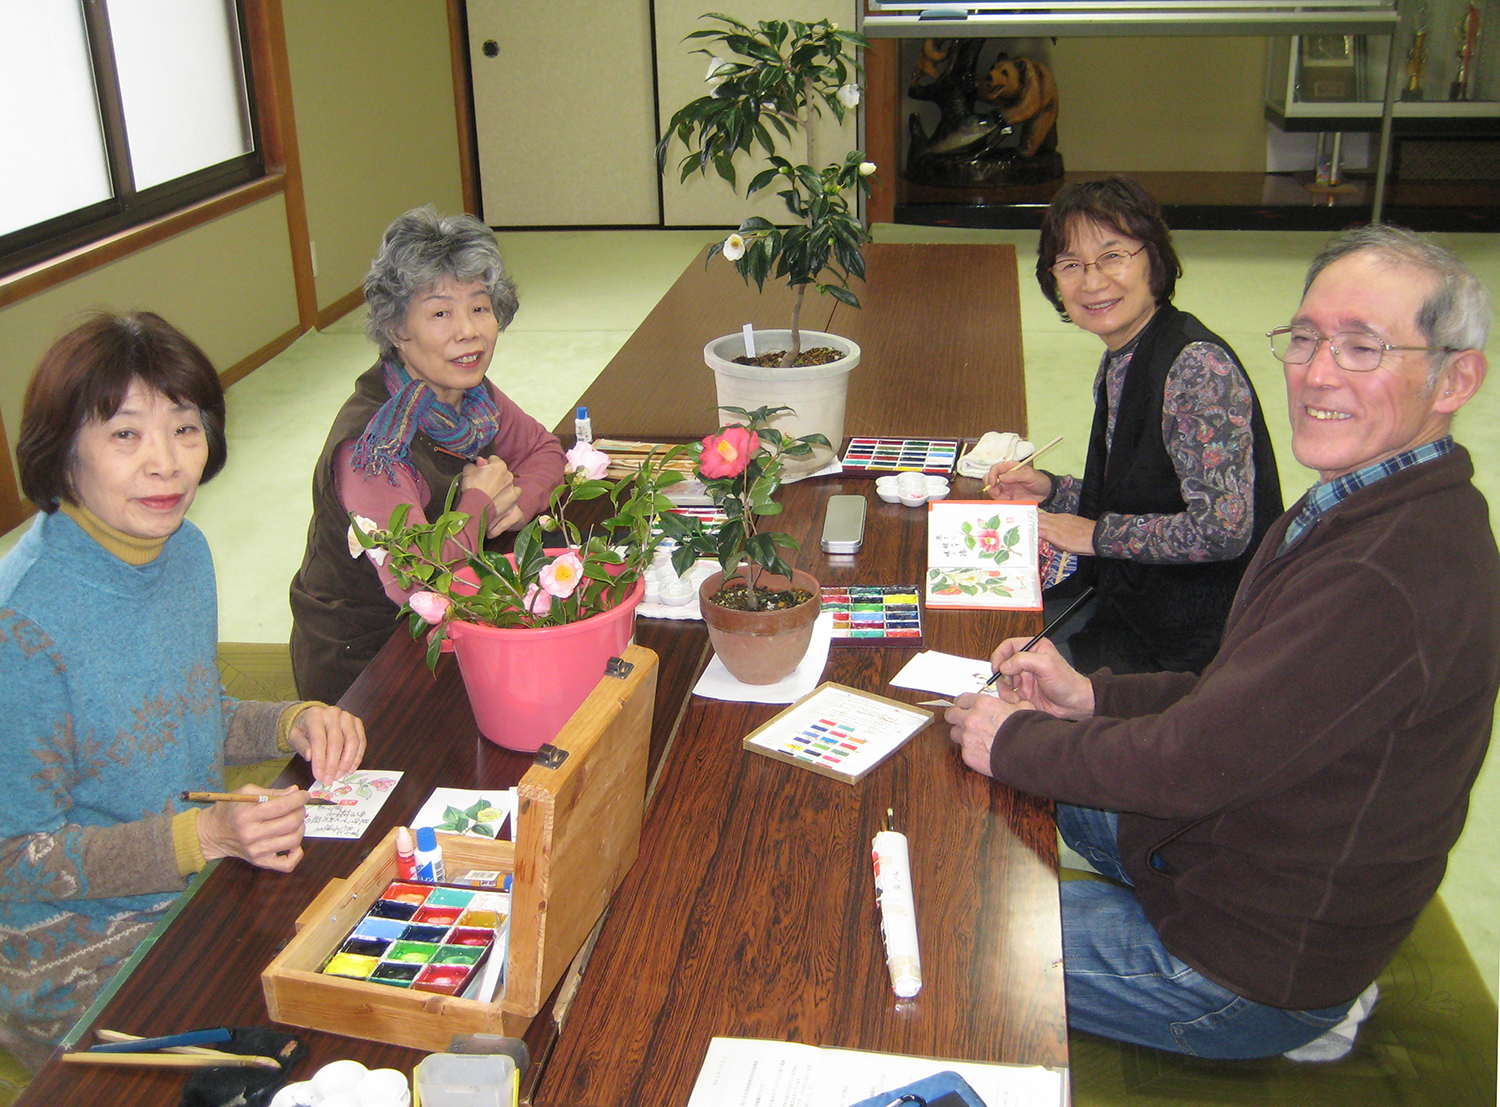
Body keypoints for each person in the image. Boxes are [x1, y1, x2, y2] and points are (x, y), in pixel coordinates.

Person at [949, 225, 1496, 1061]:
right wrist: (1091, 697)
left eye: (1363, 347)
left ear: (1456, 377)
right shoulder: (1376, 498)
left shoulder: (1383, 575)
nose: (1317, 373)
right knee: (1035, 768)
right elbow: (1237, 695)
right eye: (1306, 338)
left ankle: (1307, 1013)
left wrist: (1017, 741)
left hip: (1244, 962)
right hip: (1238, 842)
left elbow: (1192, 762)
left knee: (955, 918)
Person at [0, 313, 367, 1069]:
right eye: (125, 434)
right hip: (70, 947)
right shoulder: (22, 624)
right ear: (63, 450)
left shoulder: (181, 550)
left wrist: (293, 721)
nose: (166, 465)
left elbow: (185, 709)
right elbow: (16, 858)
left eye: (186, 429)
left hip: (189, 884)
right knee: (289, 1054)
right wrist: (200, 838)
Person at [988, 177, 1283, 674]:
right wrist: (1052, 490)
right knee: (995, 639)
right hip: (1137, 601)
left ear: (1154, 260)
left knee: (1000, 671)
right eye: (1071, 264)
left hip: (1196, 636)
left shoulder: (1196, 367)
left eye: (1113, 256)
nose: (1092, 282)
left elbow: (1223, 530)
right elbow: (1146, 492)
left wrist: (1096, 535)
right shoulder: (1125, 354)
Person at [289, 207, 566, 703]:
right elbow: (415, 580)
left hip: (455, 618)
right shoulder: (372, 446)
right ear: (396, 328)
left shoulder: (471, 396)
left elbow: (544, 450)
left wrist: (516, 502)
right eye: (440, 314)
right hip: (371, 660)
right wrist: (479, 505)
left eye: (480, 308)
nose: (469, 332)